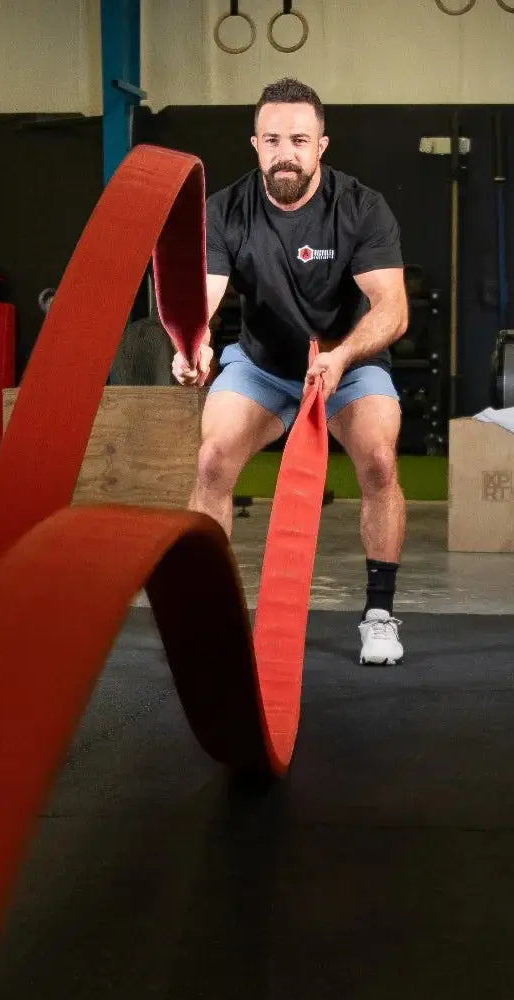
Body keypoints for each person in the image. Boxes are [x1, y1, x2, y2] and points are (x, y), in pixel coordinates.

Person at [172, 77, 409, 666]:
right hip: (263, 366)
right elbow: (203, 300)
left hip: (348, 364)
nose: (286, 153)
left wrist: (340, 356)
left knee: (379, 461)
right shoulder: (225, 210)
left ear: (321, 146)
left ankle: (379, 614)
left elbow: (394, 308)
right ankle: (207, 613)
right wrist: (192, 345)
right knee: (211, 458)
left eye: (299, 140)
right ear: (255, 144)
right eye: (273, 139)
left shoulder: (361, 208)